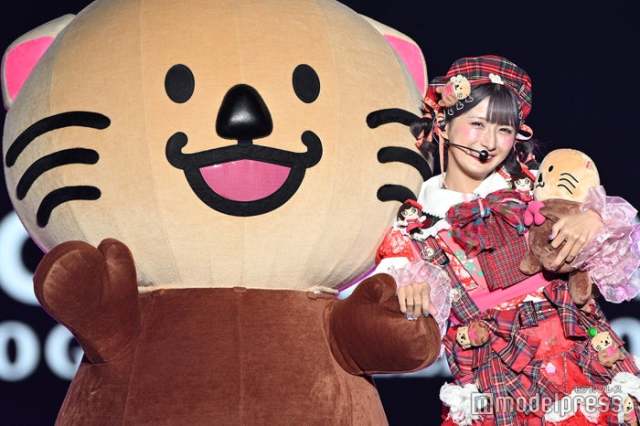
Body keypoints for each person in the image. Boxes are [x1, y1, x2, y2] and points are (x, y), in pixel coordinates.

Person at [375, 55, 640, 425]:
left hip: (586, 374)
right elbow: (404, 335)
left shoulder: (538, 192)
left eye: (503, 129)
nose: (489, 141)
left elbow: (619, 257)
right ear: (443, 125)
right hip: (499, 395)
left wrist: (594, 219)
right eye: (477, 124)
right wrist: (410, 294)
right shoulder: (416, 227)